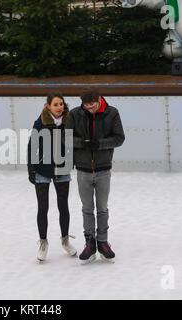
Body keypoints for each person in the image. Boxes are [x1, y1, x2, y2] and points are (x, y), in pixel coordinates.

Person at [66, 87, 125, 264]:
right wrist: (83, 144)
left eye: (92, 106)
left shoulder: (112, 113)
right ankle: (89, 243)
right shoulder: (76, 114)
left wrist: (99, 144)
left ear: (98, 100)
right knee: (86, 208)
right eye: (87, 107)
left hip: (103, 169)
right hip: (83, 169)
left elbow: (119, 138)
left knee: (102, 208)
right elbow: (66, 137)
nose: (90, 110)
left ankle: (103, 242)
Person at [27, 92, 77, 262]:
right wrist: (31, 170)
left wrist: (72, 162)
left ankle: (65, 240)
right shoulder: (40, 123)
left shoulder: (68, 122)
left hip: (62, 170)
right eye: (56, 104)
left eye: (61, 104)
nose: (59, 107)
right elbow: (31, 146)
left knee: (63, 206)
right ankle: (43, 243)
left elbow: (73, 144)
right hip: (42, 171)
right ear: (48, 106)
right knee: (43, 208)